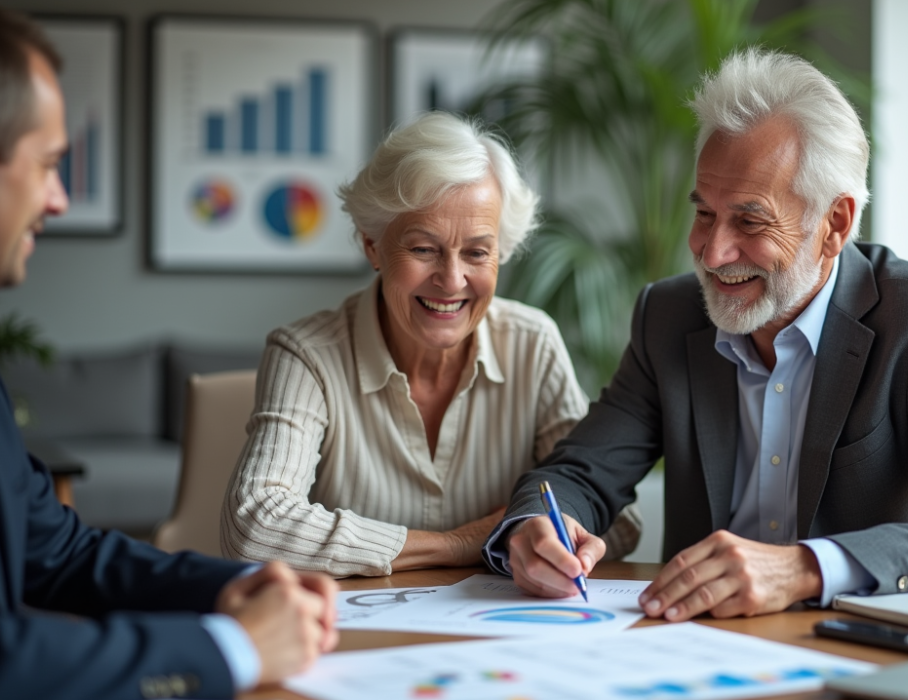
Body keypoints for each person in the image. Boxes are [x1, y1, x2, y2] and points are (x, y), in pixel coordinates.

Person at [486, 47, 908, 620]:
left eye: (750, 221)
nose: (713, 251)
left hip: (850, 650)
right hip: (695, 651)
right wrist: (534, 528)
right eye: (704, 213)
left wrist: (805, 567)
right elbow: (579, 473)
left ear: (834, 223)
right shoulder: (669, 314)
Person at [0, 3, 338, 697]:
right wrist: (232, 647)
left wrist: (236, 583)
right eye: (48, 164)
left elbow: (58, 552)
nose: (59, 199)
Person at [221, 111, 640, 577]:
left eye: (478, 252)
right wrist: (460, 543)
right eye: (423, 249)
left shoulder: (532, 344)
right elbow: (254, 526)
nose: (452, 279)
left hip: (498, 630)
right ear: (373, 245)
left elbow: (617, 524)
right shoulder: (307, 354)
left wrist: (546, 531)